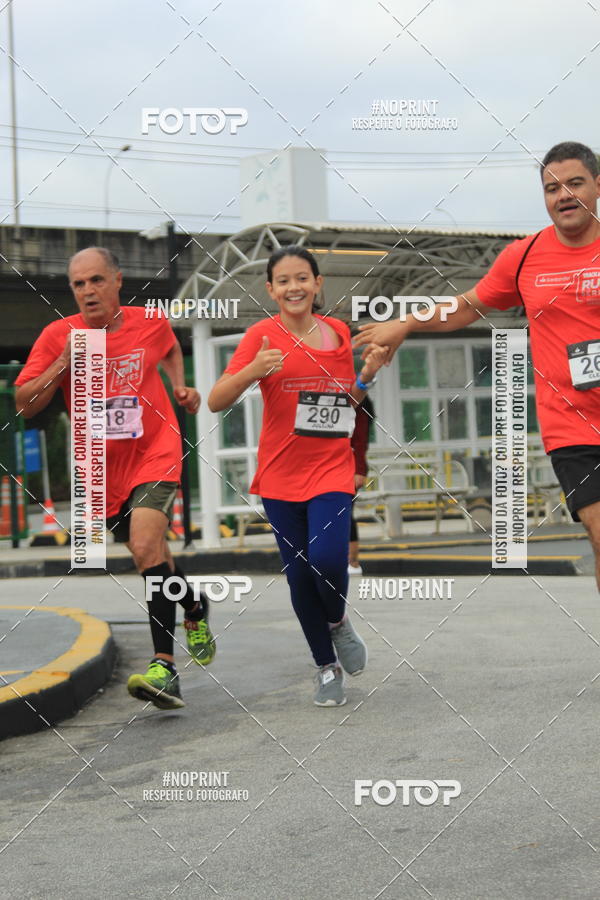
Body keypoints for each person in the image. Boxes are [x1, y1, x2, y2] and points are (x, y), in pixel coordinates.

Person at [354, 140, 600, 587]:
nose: (563, 196)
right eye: (552, 188)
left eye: (575, 184)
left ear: (597, 186)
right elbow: (467, 306)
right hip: (571, 423)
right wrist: (405, 323)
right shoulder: (524, 256)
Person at [14, 247, 215, 711]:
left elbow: (169, 346)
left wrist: (179, 386)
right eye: (79, 284)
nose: (88, 291)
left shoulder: (149, 321)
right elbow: (25, 404)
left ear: (118, 281)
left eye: (97, 280)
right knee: (152, 556)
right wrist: (63, 362)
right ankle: (194, 605)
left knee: (145, 545)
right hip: (102, 468)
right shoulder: (57, 336)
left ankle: (164, 667)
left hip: (155, 450)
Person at [208, 246, 387, 706]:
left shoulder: (339, 333)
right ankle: (326, 667)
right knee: (299, 576)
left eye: (302, 278)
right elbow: (215, 400)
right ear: (271, 289)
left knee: (327, 560)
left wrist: (367, 376)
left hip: (330, 468)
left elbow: (343, 403)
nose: (294, 287)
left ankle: (337, 620)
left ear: (317, 283)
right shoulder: (261, 336)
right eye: (284, 281)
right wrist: (252, 370)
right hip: (280, 475)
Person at [348, 395, 375, 576]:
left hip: (349, 468)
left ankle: (353, 561)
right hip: (327, 465)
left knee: (345, 513)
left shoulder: (360, 405)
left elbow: (360, 441)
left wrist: (358, 470)